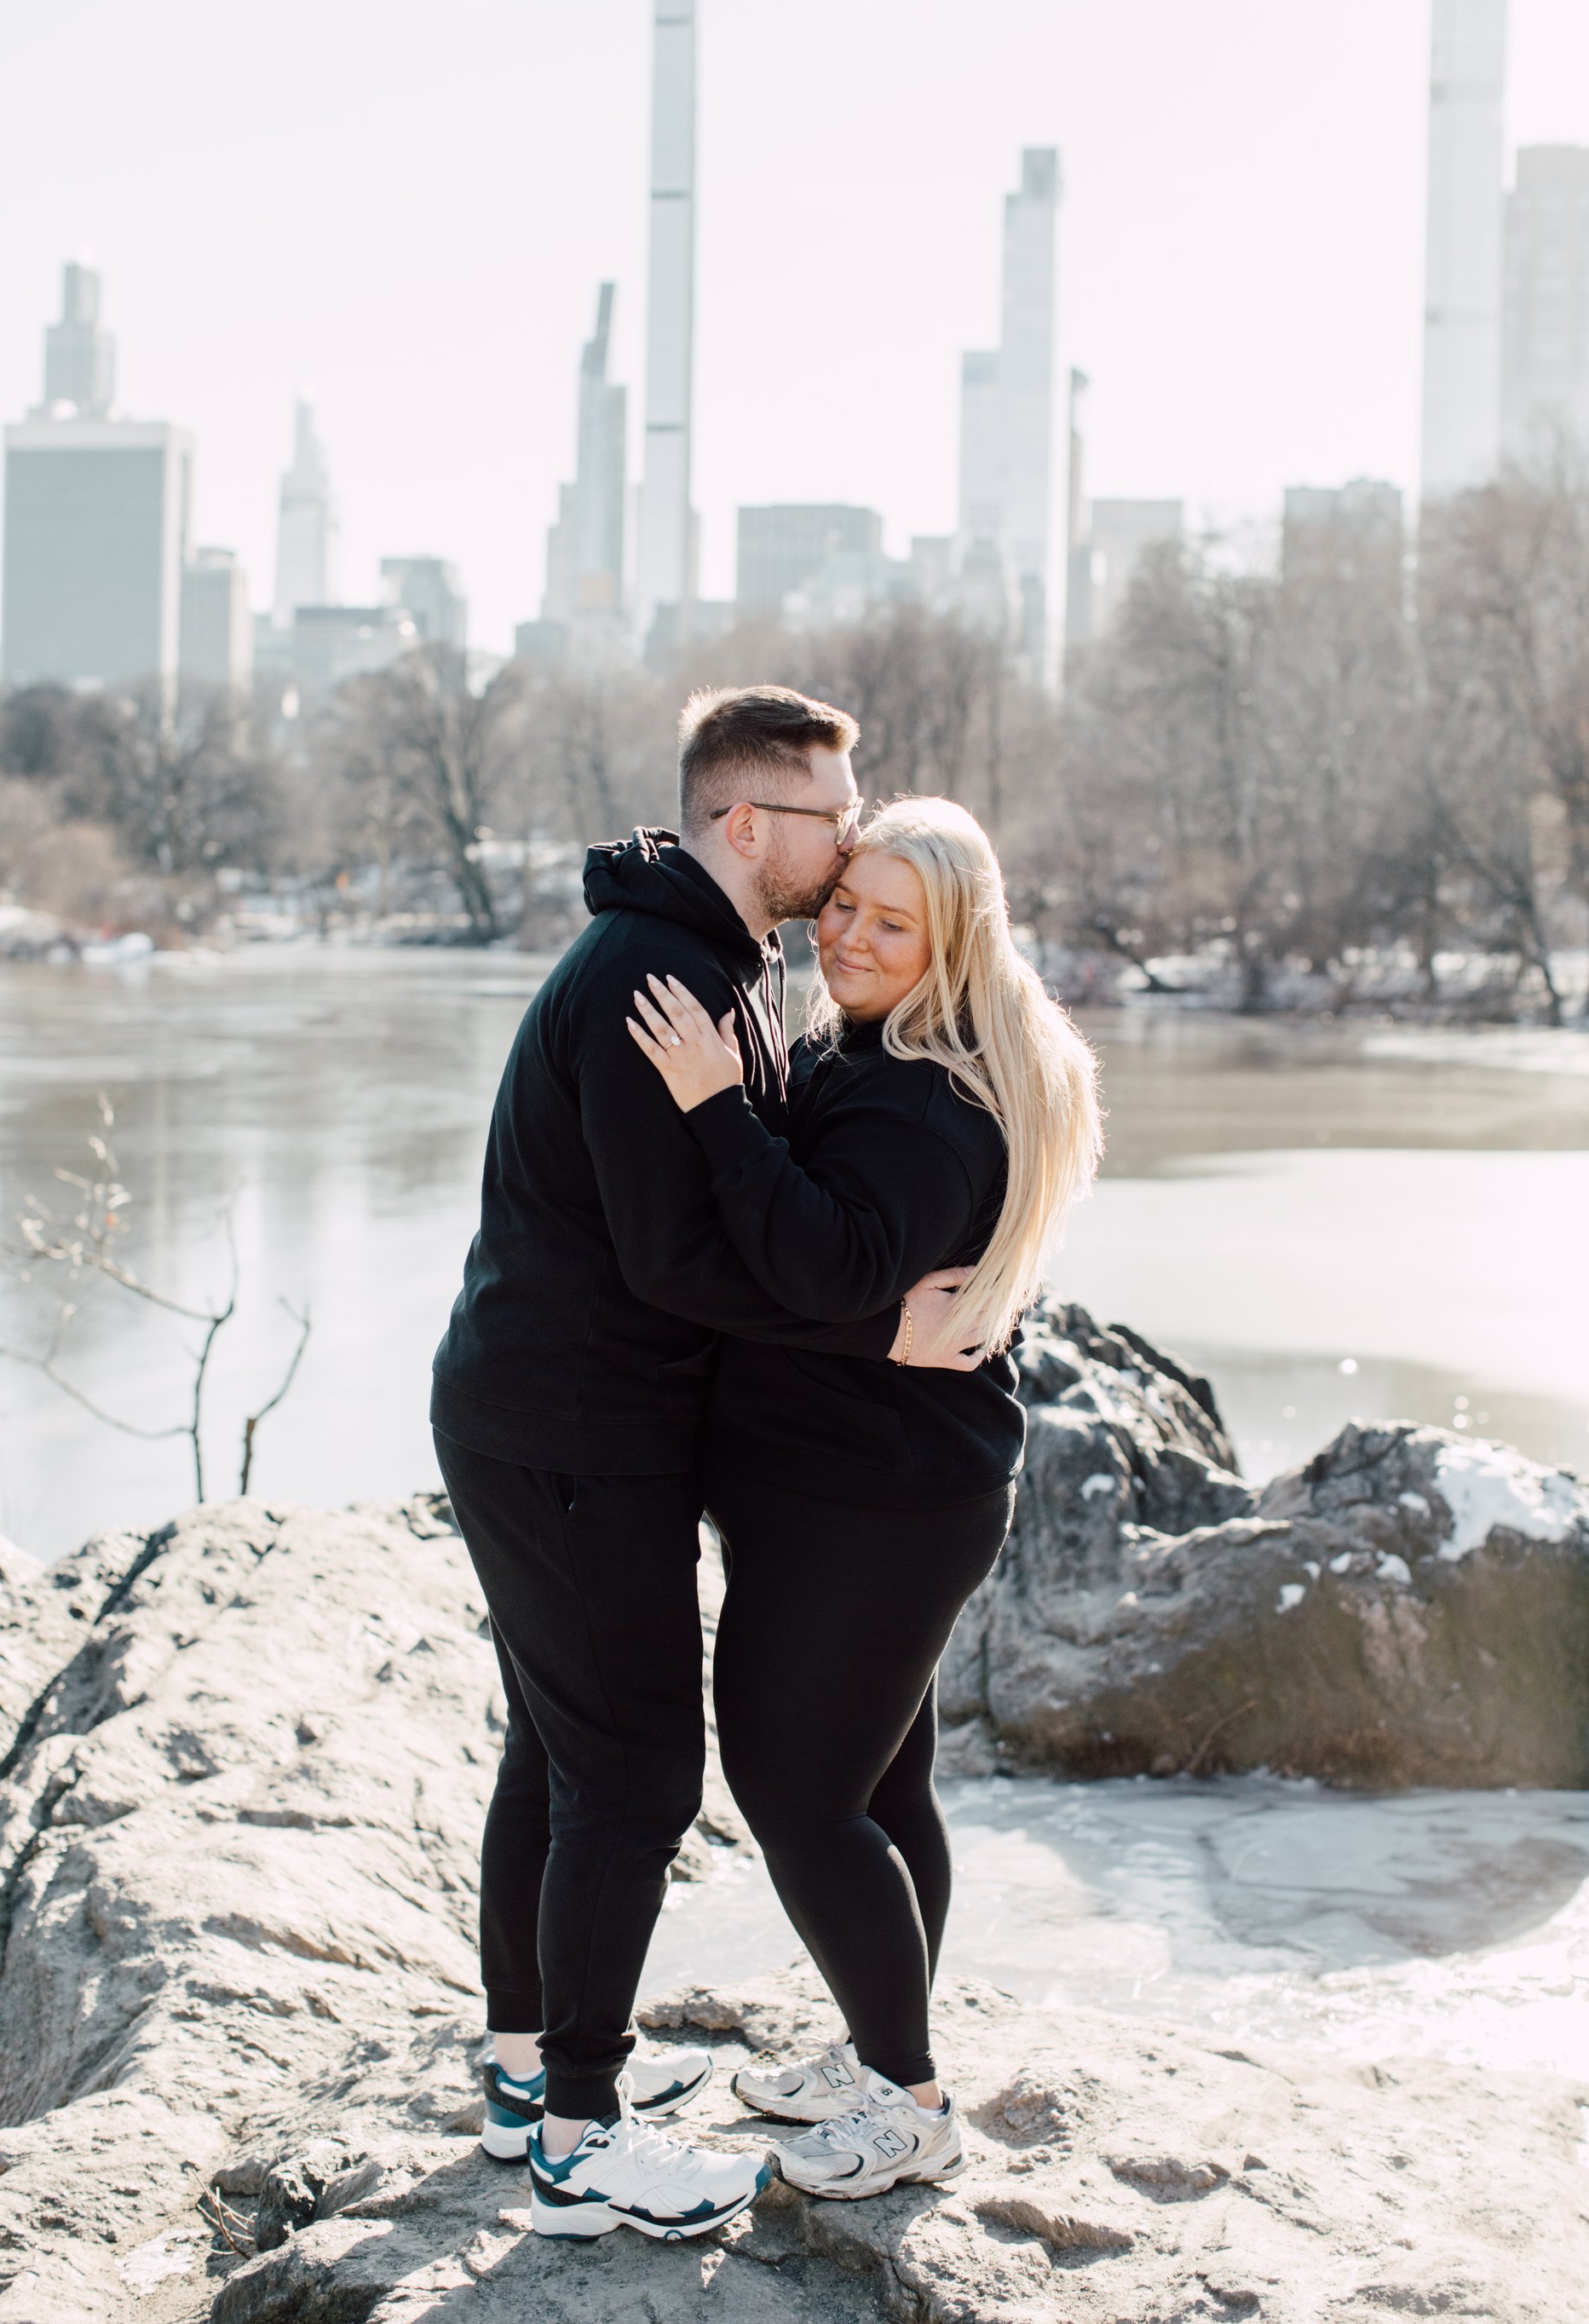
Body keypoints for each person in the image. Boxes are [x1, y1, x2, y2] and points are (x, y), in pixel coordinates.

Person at [429, 689, 977, 2244]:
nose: (851, 840)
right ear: (747, 824)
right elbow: (673, 1260)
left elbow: (777, 1196)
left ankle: (528, 2075)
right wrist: (885, 1328)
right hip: (571, 1429)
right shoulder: (655, 975)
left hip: (577, 1418)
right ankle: (579, 2141)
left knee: (561, 1751)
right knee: (633, 1772)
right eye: (833, 816)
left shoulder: (724, 958)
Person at [626, 793, 1102, 2201]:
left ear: (954, 945)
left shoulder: (925, 1102)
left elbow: (820, 1267)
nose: (848, 935)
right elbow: (863, 1275)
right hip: (864, 1487)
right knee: (885, 1788)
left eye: (895, 924)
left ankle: (909, 2102)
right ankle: (880, 2053)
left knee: (797, 1792)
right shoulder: (877, 1054)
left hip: (876, 1505)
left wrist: (714, 1104)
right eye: (845, 903)